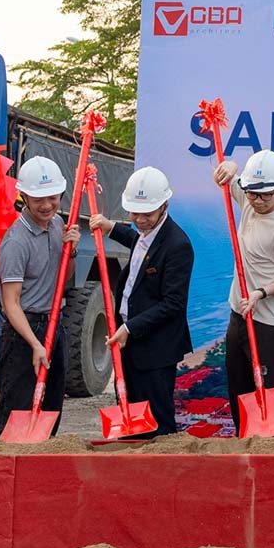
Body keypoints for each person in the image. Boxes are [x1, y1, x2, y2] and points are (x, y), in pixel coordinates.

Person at [88, 166, 193, 438]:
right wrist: (111, 227)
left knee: (157, 422)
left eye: (146, 214)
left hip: (155, 348)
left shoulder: (178, 245)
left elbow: (173, 304)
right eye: (134, 213)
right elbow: (138, 241)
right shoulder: (146, 233)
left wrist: (129, 327)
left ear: (164, 206)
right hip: (130, 343)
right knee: (131, 411)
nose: (140, 219)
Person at [212, 150, 274, 432]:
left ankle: (271, 446)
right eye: (252, 194)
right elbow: (228, 178)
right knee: (238, 385)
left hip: (268, 322)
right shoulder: (249, 201)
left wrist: (260, 293)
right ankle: (244, 439)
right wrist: (230, 166)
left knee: (268, 390)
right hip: (239, 312)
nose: (258, 201)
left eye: (265, 195)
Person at [0, 156, 80, 439]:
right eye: (38, 198)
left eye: (52, 198)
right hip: (22, 332)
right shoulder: (16, 242)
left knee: (52, 404)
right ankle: (2, 466)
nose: (46, 205)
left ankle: (42, 465)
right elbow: (10, 303)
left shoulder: (57, 225)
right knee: (17, 408)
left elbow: (61, 280)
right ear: (24, 197)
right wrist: (35, 344)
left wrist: (72, 251)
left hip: (55, 324)